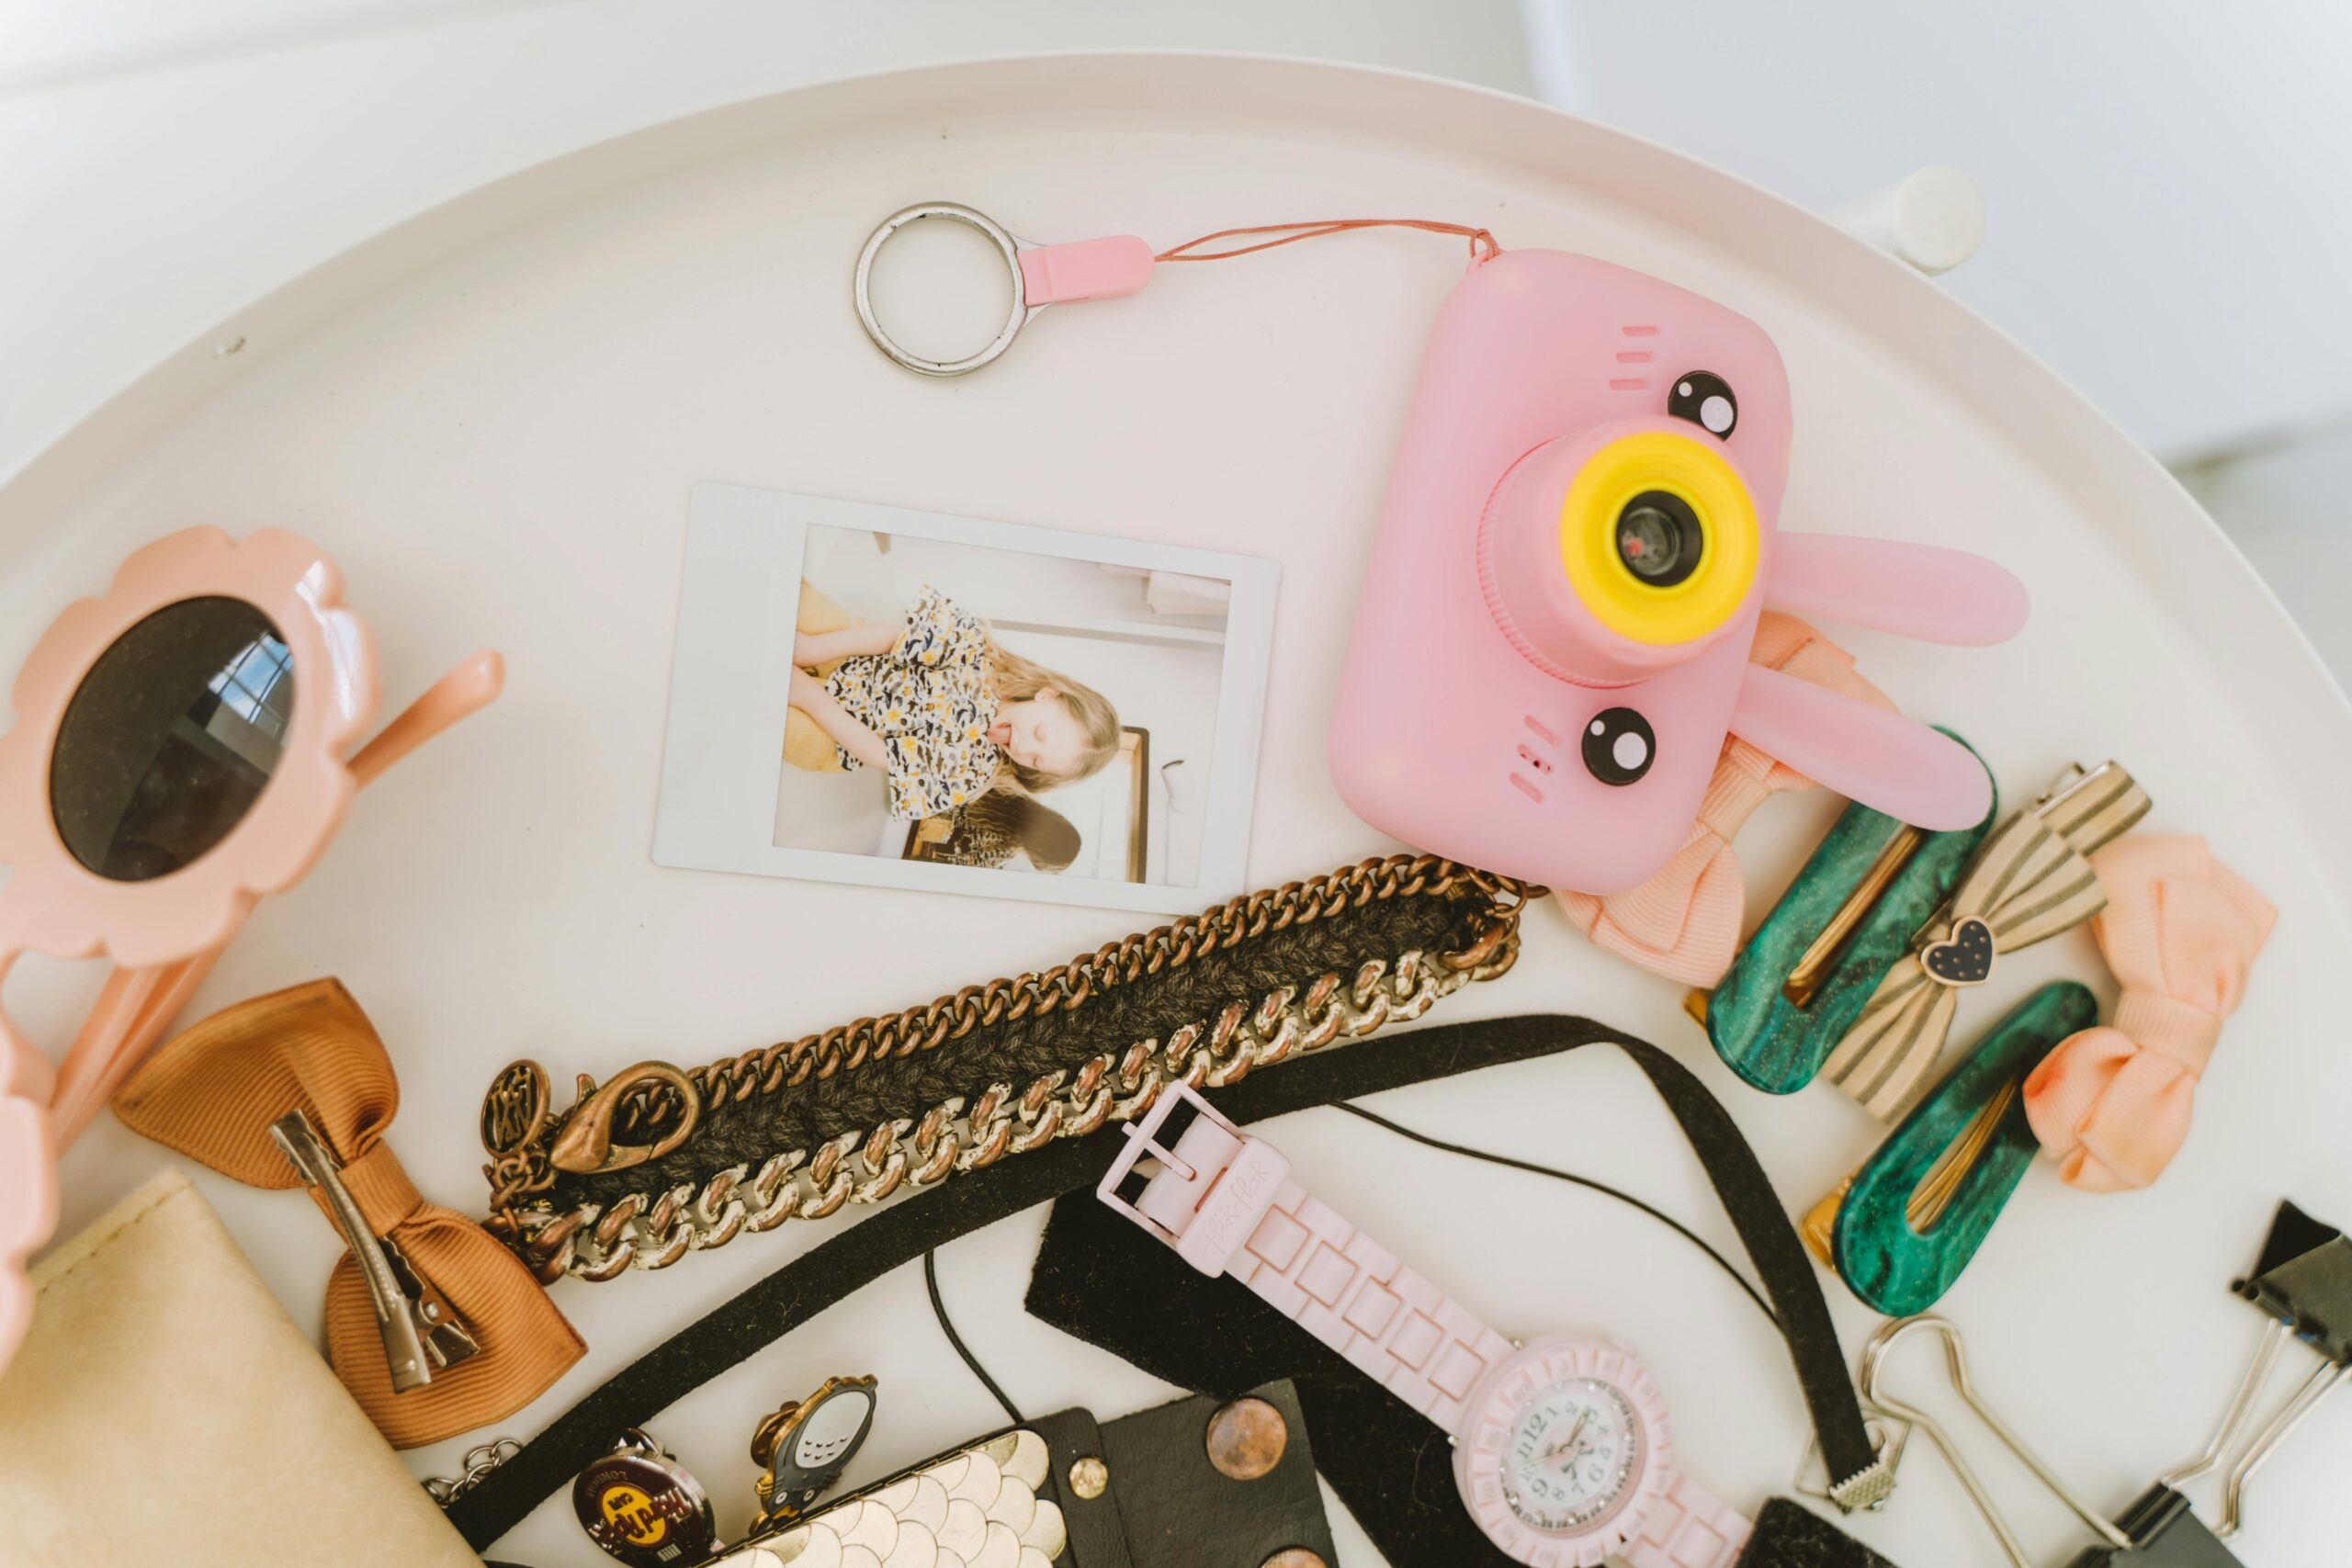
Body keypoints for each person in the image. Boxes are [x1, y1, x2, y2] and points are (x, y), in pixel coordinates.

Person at [788, 584, 1120, 820]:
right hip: (852, 656)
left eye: (1036, 759)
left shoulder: (972, 774)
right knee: (798, 605)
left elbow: (880, 753)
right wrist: (815, 649)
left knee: (776, 719)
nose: (1023, 747)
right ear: (1047, 696)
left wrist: (810, 698)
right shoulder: (980, 660)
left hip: (837, 737)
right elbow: (893, 639)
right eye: (1039, 734)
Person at [922, 787, 1083, 873]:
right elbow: (947, 867)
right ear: (1041, 854)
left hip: (924, 794)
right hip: (917, 832)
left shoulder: (1014, 790)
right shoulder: (1001, 852)